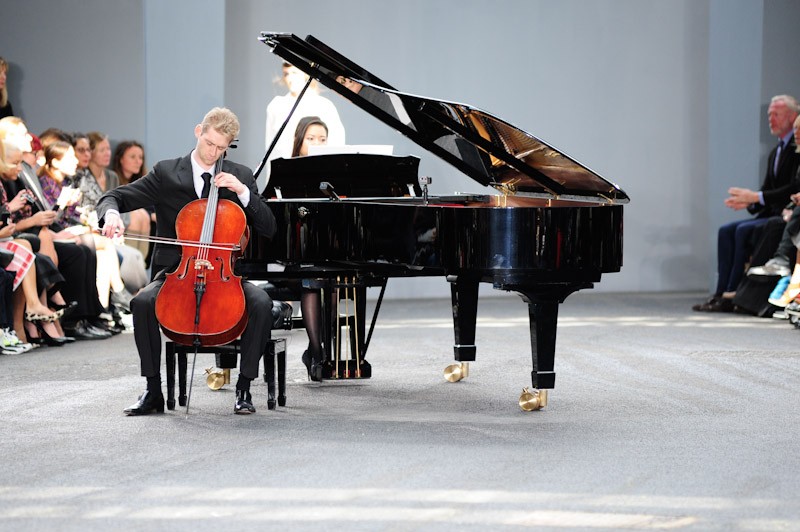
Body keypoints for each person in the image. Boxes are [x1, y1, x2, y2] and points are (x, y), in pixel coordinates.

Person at [97, 107, 277, 416]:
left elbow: (269, 227)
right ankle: (152, 390)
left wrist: (243, 192)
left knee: (261, 303)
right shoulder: (166, 173)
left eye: (221, 147)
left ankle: (244, 388)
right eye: (209, 143)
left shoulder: (241, 175)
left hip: (224, 274)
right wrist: (111, 215)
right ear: (198, 131)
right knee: (142, 303)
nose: (214, 153)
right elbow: (114, 197)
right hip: (175, 273)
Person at [693, 94, 800, 312]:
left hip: (783, 214)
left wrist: (756, 197)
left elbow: (791, 188)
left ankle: (734, 294)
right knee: (726, 230)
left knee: (742, 231)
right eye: (769, 115)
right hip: (771, 212)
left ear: (792, 117)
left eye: (776, 114)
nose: (770, 119)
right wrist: (749, 202)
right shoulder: (776, 151)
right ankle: (720, 293)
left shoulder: (795, 149)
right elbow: (768, 189)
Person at [263, 62, 345, 187]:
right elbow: (271, 149)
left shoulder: (324, 106)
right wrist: (271, 183)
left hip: (317, 173)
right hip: (285, 175)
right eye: (286, 74)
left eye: (294, 73)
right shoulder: (276, 106)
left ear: (305, 74)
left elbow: (336, 145)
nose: (290, 78)